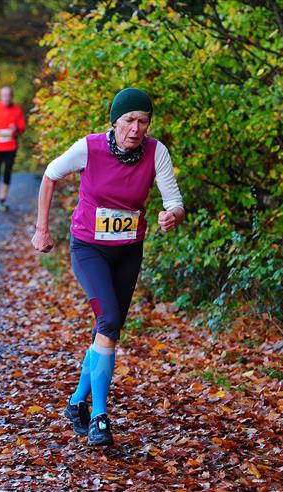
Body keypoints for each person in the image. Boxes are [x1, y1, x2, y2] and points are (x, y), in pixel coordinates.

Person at [32, 88, 185, 446]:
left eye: (143, 121)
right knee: (110, 320)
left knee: (108, 328)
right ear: (115, 121)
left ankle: (76, 403)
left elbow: (174, 202)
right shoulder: (89, 147)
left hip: (128, 251)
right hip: (89, 249)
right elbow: (50, 176)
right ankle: (99, 417)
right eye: (129, 120)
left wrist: (172, 216)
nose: (136, 128)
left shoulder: (156, 152)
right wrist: (42, 229)